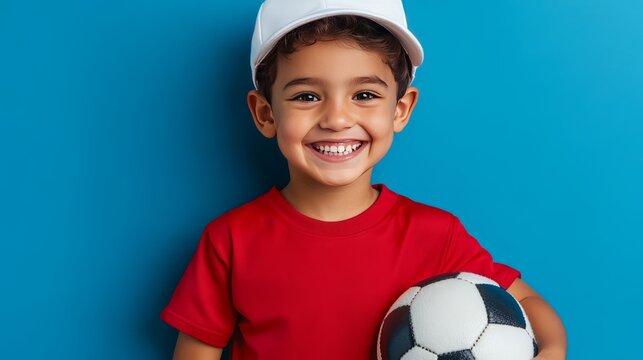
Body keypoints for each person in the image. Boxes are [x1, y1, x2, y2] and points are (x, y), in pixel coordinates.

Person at [160, 0, 568, 359]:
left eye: (365, 95)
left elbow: (525, 300)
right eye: (306, 96)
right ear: (265, 114)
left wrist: (550, 351)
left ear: (400, 109)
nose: (336, 119)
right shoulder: (230, 241)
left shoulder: (435, 235)